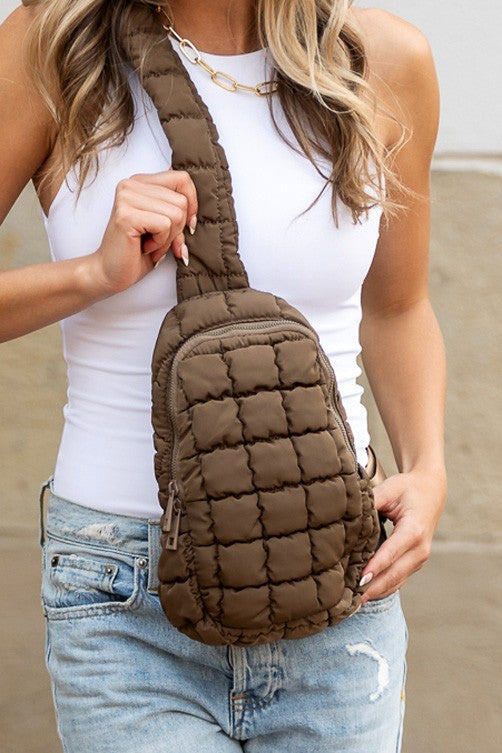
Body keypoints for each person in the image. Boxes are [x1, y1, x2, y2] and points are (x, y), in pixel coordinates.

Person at [0, 1, 447, 751]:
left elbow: (399, 309)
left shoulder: (383, 59)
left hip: (336, 578)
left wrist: (428, 468)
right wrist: (91, 274)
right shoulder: (55, 41)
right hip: (123, 595)